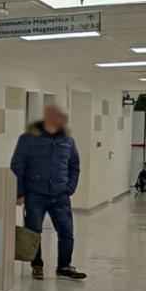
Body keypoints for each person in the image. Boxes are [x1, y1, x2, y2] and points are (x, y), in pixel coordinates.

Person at [11, 104, 86, 280]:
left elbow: (74, 166)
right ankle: (37, 265)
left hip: (60, 195)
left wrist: (70, 188)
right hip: (35, 194)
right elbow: (17, 166)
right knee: (33, 231)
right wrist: (20, 192)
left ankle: (64, 266)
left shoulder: (68, 141)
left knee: (66, 232)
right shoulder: (28, 139)